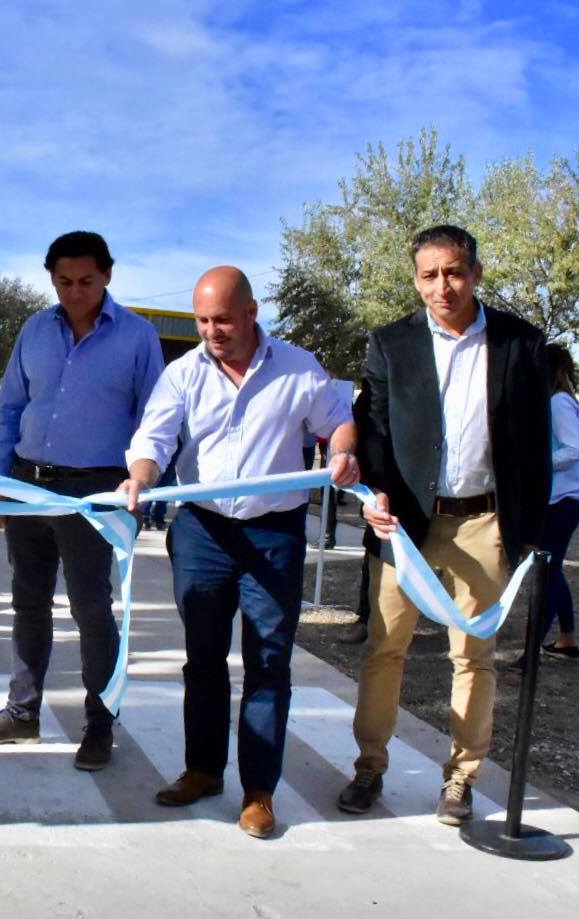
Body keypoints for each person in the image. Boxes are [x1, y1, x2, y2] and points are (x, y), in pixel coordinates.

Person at [118, 266, 359, 839]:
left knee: (268, 664)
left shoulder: (299, 369)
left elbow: (338, 424)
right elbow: (154, 439)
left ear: (251, 312)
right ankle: (202, 770)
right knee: (203, 660)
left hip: (273, 534)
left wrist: (342, 453)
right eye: (202, 320)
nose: (211, 331)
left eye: (222, 319)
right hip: (202, 534)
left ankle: (259, 793)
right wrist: (142, 477)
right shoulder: (182, 374)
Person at [338, 224, 550, 826]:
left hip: (485, 521)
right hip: (403, 524)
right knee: (385, 651)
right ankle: (368, 768)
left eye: (454, 272)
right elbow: (372, 427)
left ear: (476, 273)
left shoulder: (520, 343)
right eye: (429, 275)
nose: (442, 286)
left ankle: (460, 780)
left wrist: (529, 528)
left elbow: (535, 442)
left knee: (473, 657)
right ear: (416, 280)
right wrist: (372, 493)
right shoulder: (390, 344)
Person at [0, 231, 163, 772]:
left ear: (109, 276)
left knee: (91, 609)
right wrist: (0, 483)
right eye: (63, 282)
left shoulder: (138, 338)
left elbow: (155, 423)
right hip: (28, 485)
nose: (74, 293)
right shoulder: (34, 330)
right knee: (28, 604)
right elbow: (9, 410)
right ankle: (21, 714)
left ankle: (99, 725)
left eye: (86, 282)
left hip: (94, 494)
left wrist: (142, 489)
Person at [536, 343, 579, 659]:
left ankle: (531, 651)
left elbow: (572, 451)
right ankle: (567, 638)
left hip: (565, 499)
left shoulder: (559, 403)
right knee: (551, 570)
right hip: (565, 498)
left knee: (546, 572)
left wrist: (535, 463)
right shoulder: (568, 402)